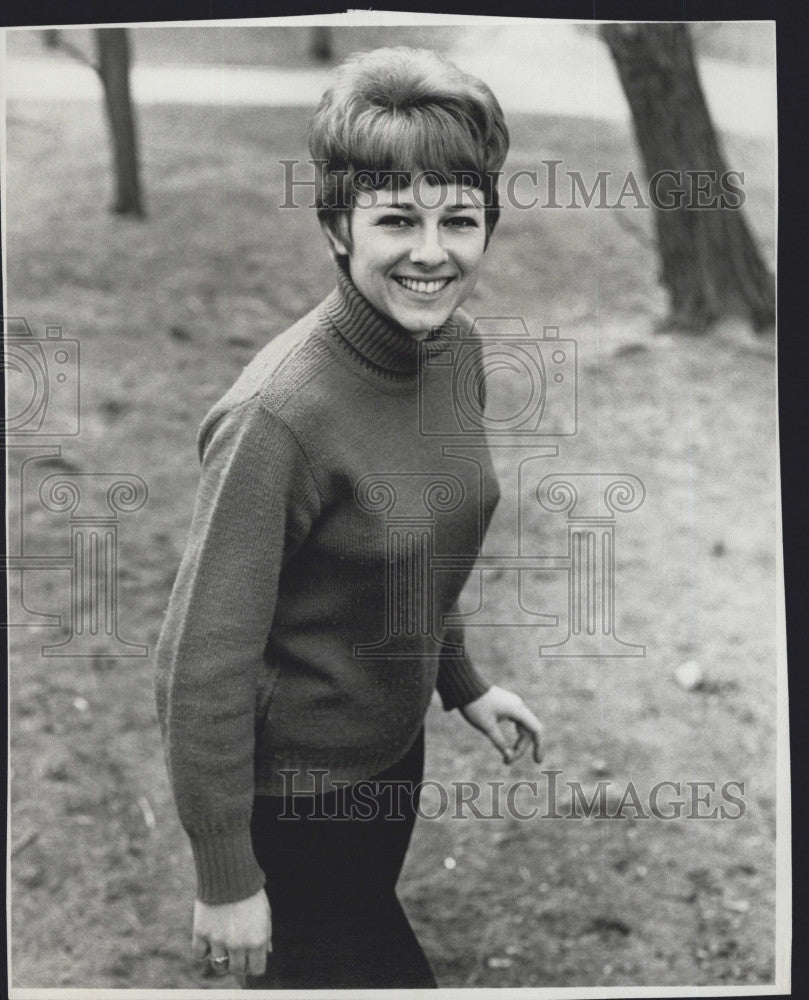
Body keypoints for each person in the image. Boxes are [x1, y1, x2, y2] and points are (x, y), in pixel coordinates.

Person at [155, 45, 544, 990]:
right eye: (396, 218)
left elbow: (412, 543)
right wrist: (226, 878)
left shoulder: (454, 353)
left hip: (388, 754)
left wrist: (460, 681)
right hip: (293, 795)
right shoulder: (278, 417)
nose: (430, 251)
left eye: (458, 218)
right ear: (338, 224)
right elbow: (197, 661)